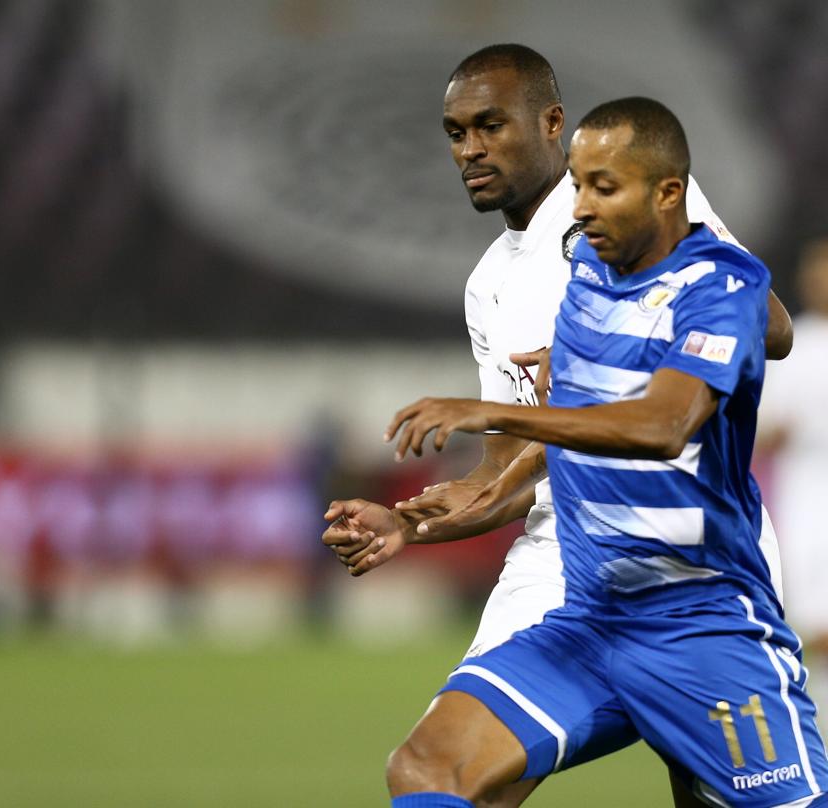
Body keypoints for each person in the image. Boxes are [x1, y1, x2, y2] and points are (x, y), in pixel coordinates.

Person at [323, 44, 792, 806]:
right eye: (455, 132)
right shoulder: (490, 286)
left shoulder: (635, 205)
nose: (470, 148)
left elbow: (767, 324)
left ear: (551, 123)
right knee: (436, 773)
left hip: (686, 560)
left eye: (489, 125)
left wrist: (616, 350)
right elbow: (509, 471)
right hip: (559, 567)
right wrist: (407, 523)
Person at [760, 238, 828, 724]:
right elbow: (768, 430)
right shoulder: (795, 342)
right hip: (806, 496)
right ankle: (817, 721)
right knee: (813, 618)